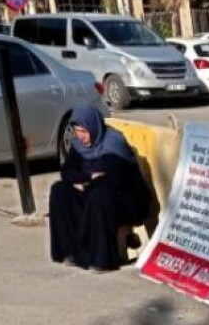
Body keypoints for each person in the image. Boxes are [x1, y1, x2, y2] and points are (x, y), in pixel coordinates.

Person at [49, 104, 151, 272]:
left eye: (84, 131)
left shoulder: (114, 143)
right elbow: (67, 172)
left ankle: (102, 259)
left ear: (93, 125)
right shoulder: (78, 145)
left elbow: (114, 179)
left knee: (100, 195)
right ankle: (71, 251)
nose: (81, 136)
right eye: (77, 131)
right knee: (60, 190)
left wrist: (85, 185)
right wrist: (89, 178)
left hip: (127, 200)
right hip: (96, 192)